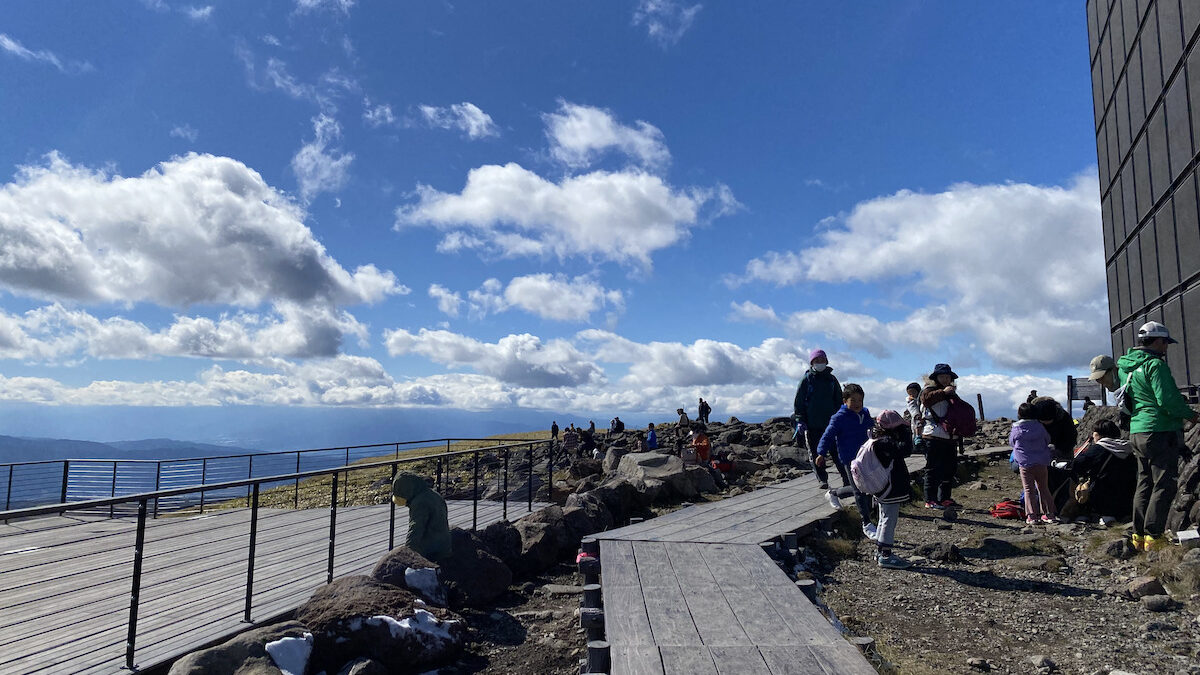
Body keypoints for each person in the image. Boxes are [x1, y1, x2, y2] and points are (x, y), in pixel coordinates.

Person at [1118, 321, 1199, 551]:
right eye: (1165, 343)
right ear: (1156, 341)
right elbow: (1167, 400)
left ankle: (1138, 535)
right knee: (1164, 483)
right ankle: (1154, 537)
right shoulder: (1155, 365)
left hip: (1137, 430)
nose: (1166, 348)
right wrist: (1190, 415)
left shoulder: (1127, 367)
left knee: (1144, 482)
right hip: (1159, 429)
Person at [817, 383, 876, 537]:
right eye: (853, 400)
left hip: (866, 457)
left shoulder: (865, 414)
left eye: (860, 400)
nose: (857, 404)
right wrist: (821, 453)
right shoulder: (839, 418)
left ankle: (834, 493)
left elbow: (873, 430)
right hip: (849, 459)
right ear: (845, 401)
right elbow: (828, 435)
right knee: (859, 490)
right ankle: (867, 523)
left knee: (866, 487)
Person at [870, 410, 915, 569]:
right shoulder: (887, 443)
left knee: (884, 517)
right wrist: (906, 435)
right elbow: (905, 451)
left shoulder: (877, 439)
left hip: (882, 487)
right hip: (891, 487)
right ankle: (886, 555)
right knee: (889, 519)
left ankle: (881, 550)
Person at [794, 348, 845, 490]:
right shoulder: (807, 379)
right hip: (812, 424)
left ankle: (846, 478)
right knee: (816, 453)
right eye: (817, 361)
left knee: (838, 452)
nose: (820, 363)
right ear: (812, 363)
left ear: (826, 361)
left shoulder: (832, 379)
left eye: (822, 360)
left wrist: (841, 417)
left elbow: (839, 399)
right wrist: (800, 420)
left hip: (832, 424)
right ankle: (823, 479)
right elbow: (799, 400)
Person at [1070, 419, 1135, 523]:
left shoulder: (1098, 449)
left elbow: (1077, 465)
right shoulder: (1128, 449)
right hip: (1127, 497)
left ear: (1099, 434)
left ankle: (1087, 514)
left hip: (1102, 496)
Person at [920, 363, 964, 509]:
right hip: (932, 435)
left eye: (947, 377)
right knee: (933, 469)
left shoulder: (951, 392)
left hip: (949, 436)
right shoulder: (929, 390)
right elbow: (926, 400)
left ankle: (944, 498)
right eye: (942, 376)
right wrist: (944, 392)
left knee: (949, 469)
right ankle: (930, 499)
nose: (945, 379)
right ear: (936, 377)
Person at [1009, 403, 1058, 524]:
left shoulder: (1016, 429)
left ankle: (1032, 516)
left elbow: (1011, 442)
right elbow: (1048, 439)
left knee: (1028, 489)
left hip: (1025, 463)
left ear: (1019, 414)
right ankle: (1049, 514)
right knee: (1043, 488)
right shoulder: (1040, 427)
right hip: (1041, 461)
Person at [392, 472, 451, 561]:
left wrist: (408, 553)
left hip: (431, 551)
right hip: (444, 545)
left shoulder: (419, 503)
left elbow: (416, 529)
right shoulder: (433, 494)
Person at [904, 382, 924, 449]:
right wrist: (916, 415)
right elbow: (913, 409)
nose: (911, 394)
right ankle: (917, 439)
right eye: (909, 393)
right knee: (917, 426)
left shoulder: (921, 399)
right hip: (916, 418)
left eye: (913, 392)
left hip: (922, 418)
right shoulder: (910, 401)